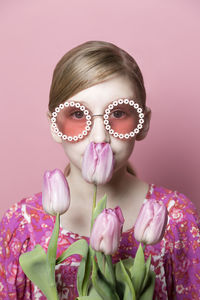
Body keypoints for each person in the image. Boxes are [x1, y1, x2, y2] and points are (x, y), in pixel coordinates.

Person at [0, 40, 200, 300]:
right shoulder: (21, 225)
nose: (99, 137)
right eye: (77, 115)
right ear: (54, 126)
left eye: (118, 113)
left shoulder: (176, 219)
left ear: (143, 123)